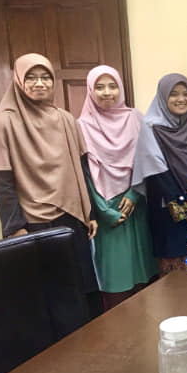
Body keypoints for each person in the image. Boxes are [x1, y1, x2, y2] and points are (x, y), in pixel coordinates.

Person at [0, 52, 102, 320]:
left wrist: (89, 212)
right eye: (31, 78)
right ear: (19, 81)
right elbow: (3, 180)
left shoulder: (65, 119)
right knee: (44, 293)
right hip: (31, 221)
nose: (39, 83)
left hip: (71, 216)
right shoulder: (5, 121)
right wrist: (15, 228)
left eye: (45, 77)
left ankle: (88, 339)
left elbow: (81, 169)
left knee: (81, 285)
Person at [77, 65, 158, 310]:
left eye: (112, 86)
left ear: (120, 88)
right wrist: (102, 210)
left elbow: (148, 160)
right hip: (105, 211)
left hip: (136, 203)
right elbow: (83, 173)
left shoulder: (135, 118)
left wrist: (134, 194)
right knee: (115, 278)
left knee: (143, 273)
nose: (107, 92)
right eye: (100, 87)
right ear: (90, 90)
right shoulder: (81, 125)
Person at [131, 73, 187, 276]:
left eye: (186, 94)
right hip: (169, 211)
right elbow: (159, 175)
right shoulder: (152, 127)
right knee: (175, 279)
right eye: (173, 94)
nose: (181, 99)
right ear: (163, 96)